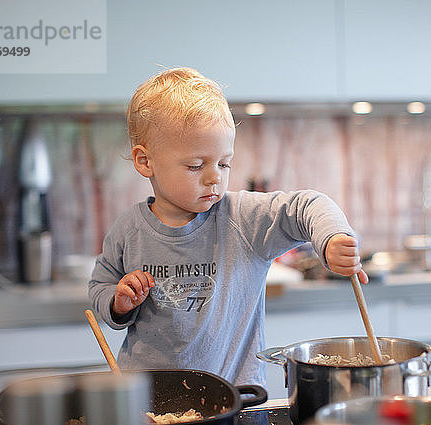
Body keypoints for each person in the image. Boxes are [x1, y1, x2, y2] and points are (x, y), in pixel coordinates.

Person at [88, 67, 369, 387]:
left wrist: (331, 236)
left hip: (237, 401)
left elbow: (306, 205)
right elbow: (99, 286)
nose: (214, 178)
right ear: (145, 161)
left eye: (224, 163)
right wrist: (118, 301)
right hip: (148, 404)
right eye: (196, 165)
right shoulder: (128, 230)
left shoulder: (243, 219)